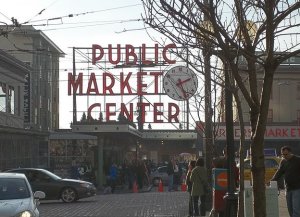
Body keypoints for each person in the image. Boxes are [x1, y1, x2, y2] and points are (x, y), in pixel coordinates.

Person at [271, 146, 300, 217]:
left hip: (297, 188)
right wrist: (272, 180)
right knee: (290, 209)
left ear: (290, 152)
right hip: (288, 188)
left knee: (296, 210)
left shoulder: (298, 160)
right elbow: (279, 172)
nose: (284, 156)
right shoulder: (283, 161)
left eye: (286, 154)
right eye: (282, 154)